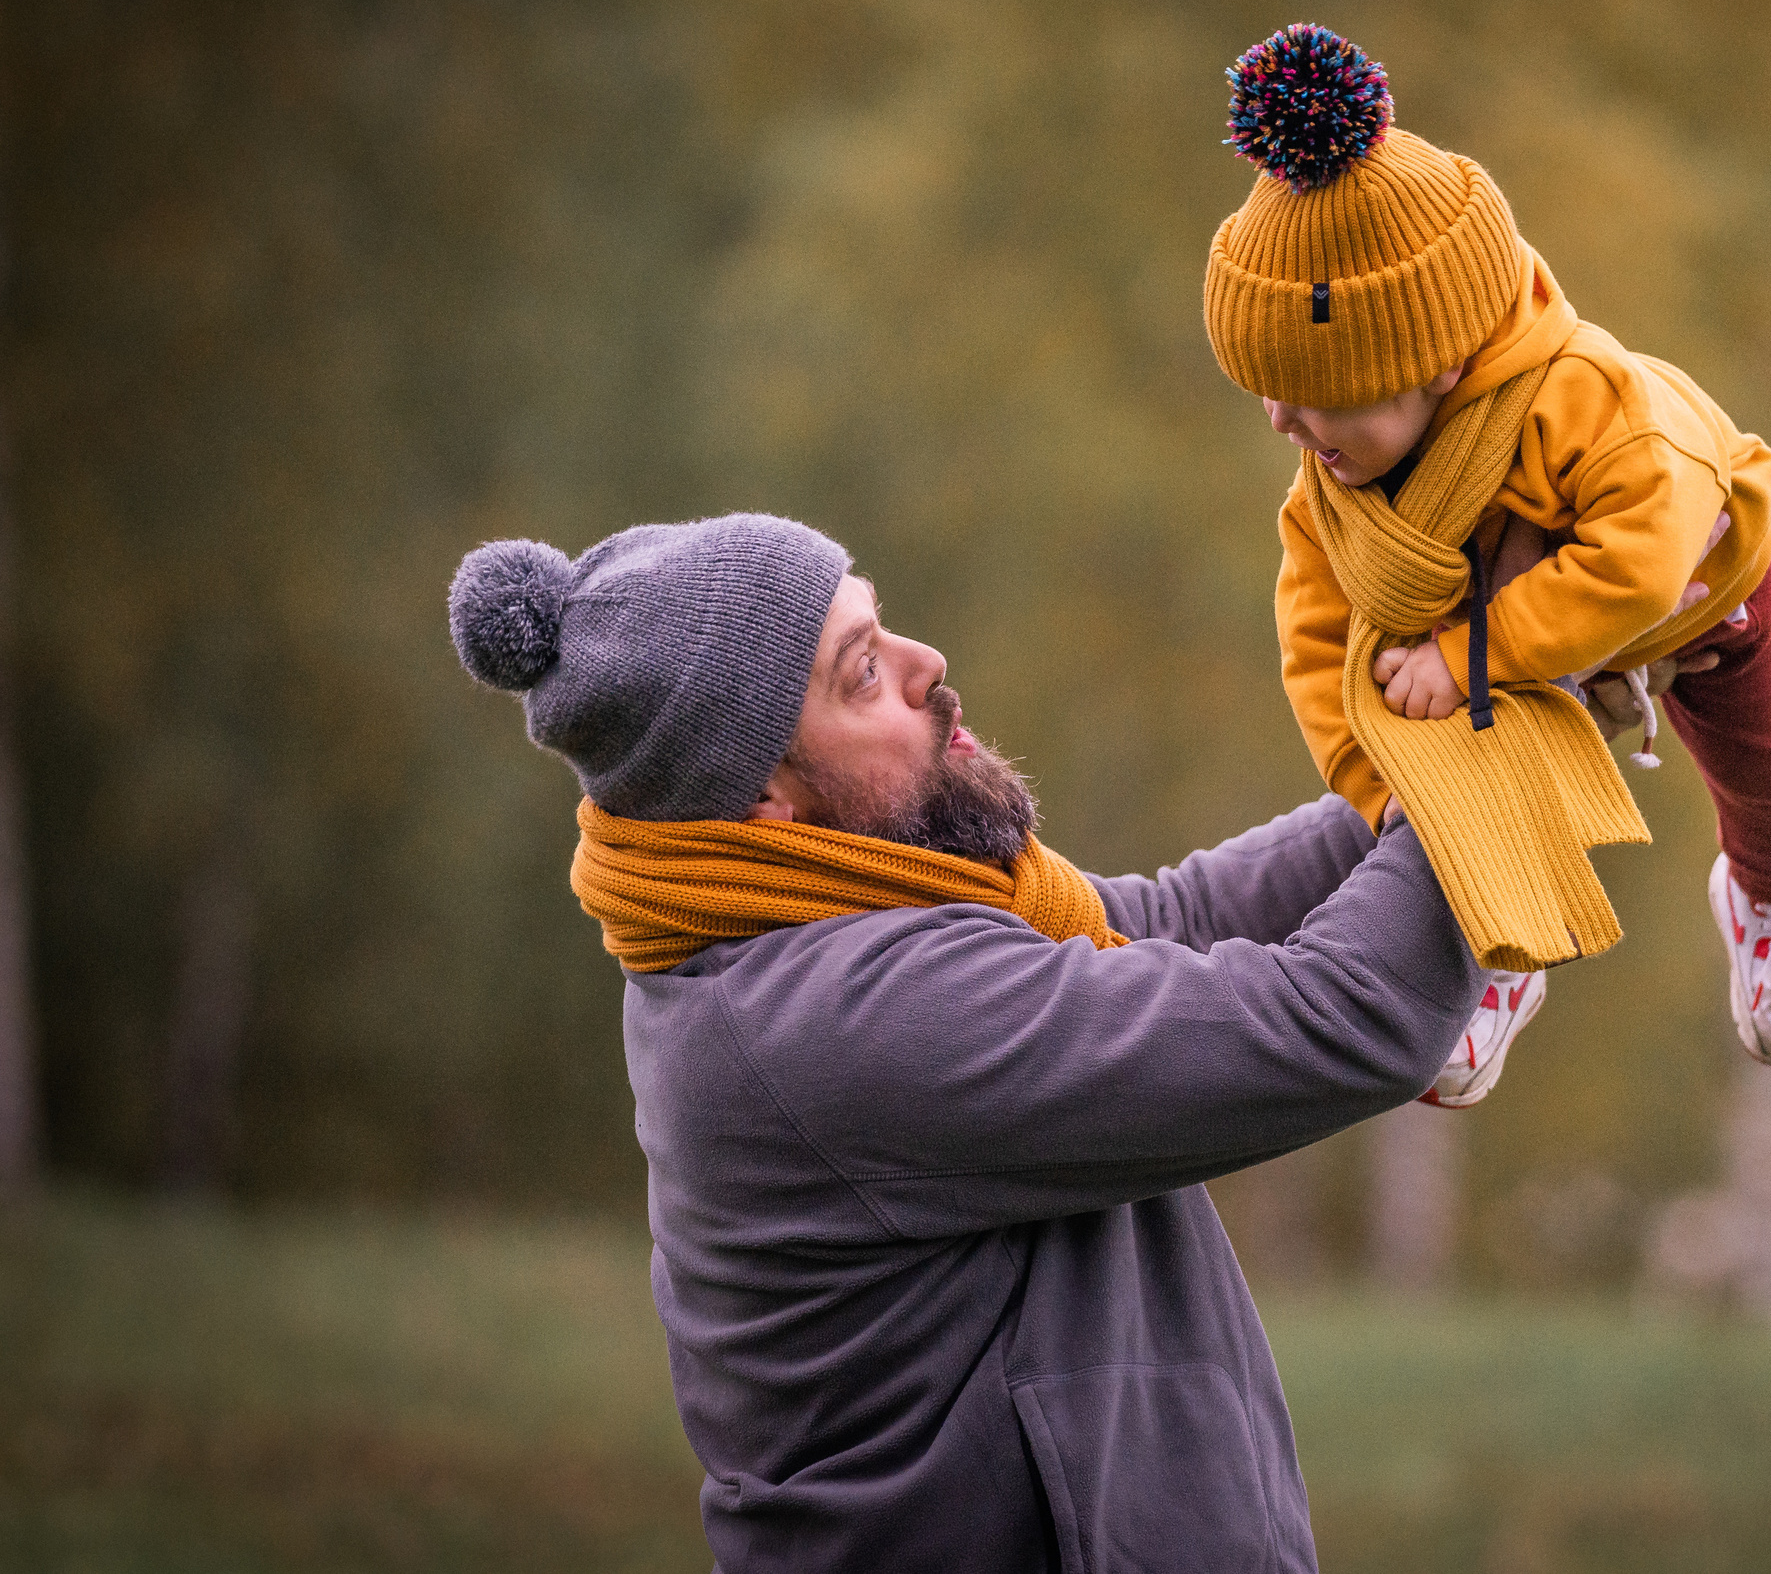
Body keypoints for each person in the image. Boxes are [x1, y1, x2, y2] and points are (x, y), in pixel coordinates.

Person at [446, 511, 1537, 1572]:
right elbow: (1342, 1014)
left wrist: (1461, 729)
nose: (927, 666)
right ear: (766, 799)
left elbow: (1169, 922)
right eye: (862, 673)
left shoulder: (812, 920)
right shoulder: (846, 1017)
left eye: (884, 626)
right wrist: (1513, 712)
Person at [1203, 24, 1771, 1070]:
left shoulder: (1590, 404)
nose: (1286, 423)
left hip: (1695, 598)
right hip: (1515, 643)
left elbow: (1639, 565)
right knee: (1462, 764)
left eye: (1321, 396)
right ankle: (1494, 939)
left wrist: (1473, 654)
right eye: (1268, 393)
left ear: (1442, 361)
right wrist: (1398, 802)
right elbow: (1319, 648)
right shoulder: (1335, 490)